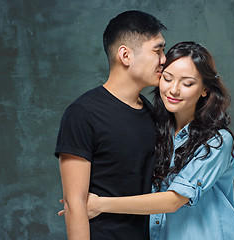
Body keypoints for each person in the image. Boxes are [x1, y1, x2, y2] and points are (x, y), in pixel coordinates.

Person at [60, 41, 234, 239]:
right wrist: (76, 205)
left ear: (204, 90)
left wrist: (99, 204)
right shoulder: (157, 129)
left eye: (187, 83)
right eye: (167, 78)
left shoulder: (218, 141)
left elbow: (173, 201)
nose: (174, 90)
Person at [55, 10, 166, 240]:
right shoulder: (82, 114)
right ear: (125, 55)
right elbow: (75, 204)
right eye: (157, 50)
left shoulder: (152, 113)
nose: (164, 59)